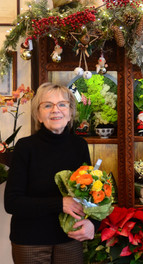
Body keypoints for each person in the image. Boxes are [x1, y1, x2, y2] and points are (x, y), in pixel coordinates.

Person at [5, 82, 97, 264]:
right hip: (31, 242)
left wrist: (93, 224)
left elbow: (91, 193)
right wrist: (59, 203)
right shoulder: (25, 147)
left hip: (70, 239)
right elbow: (12, 203)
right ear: (38, 115)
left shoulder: (79, 146)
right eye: (47, 105)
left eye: (62, 104)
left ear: (70, 112)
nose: (56, 110)